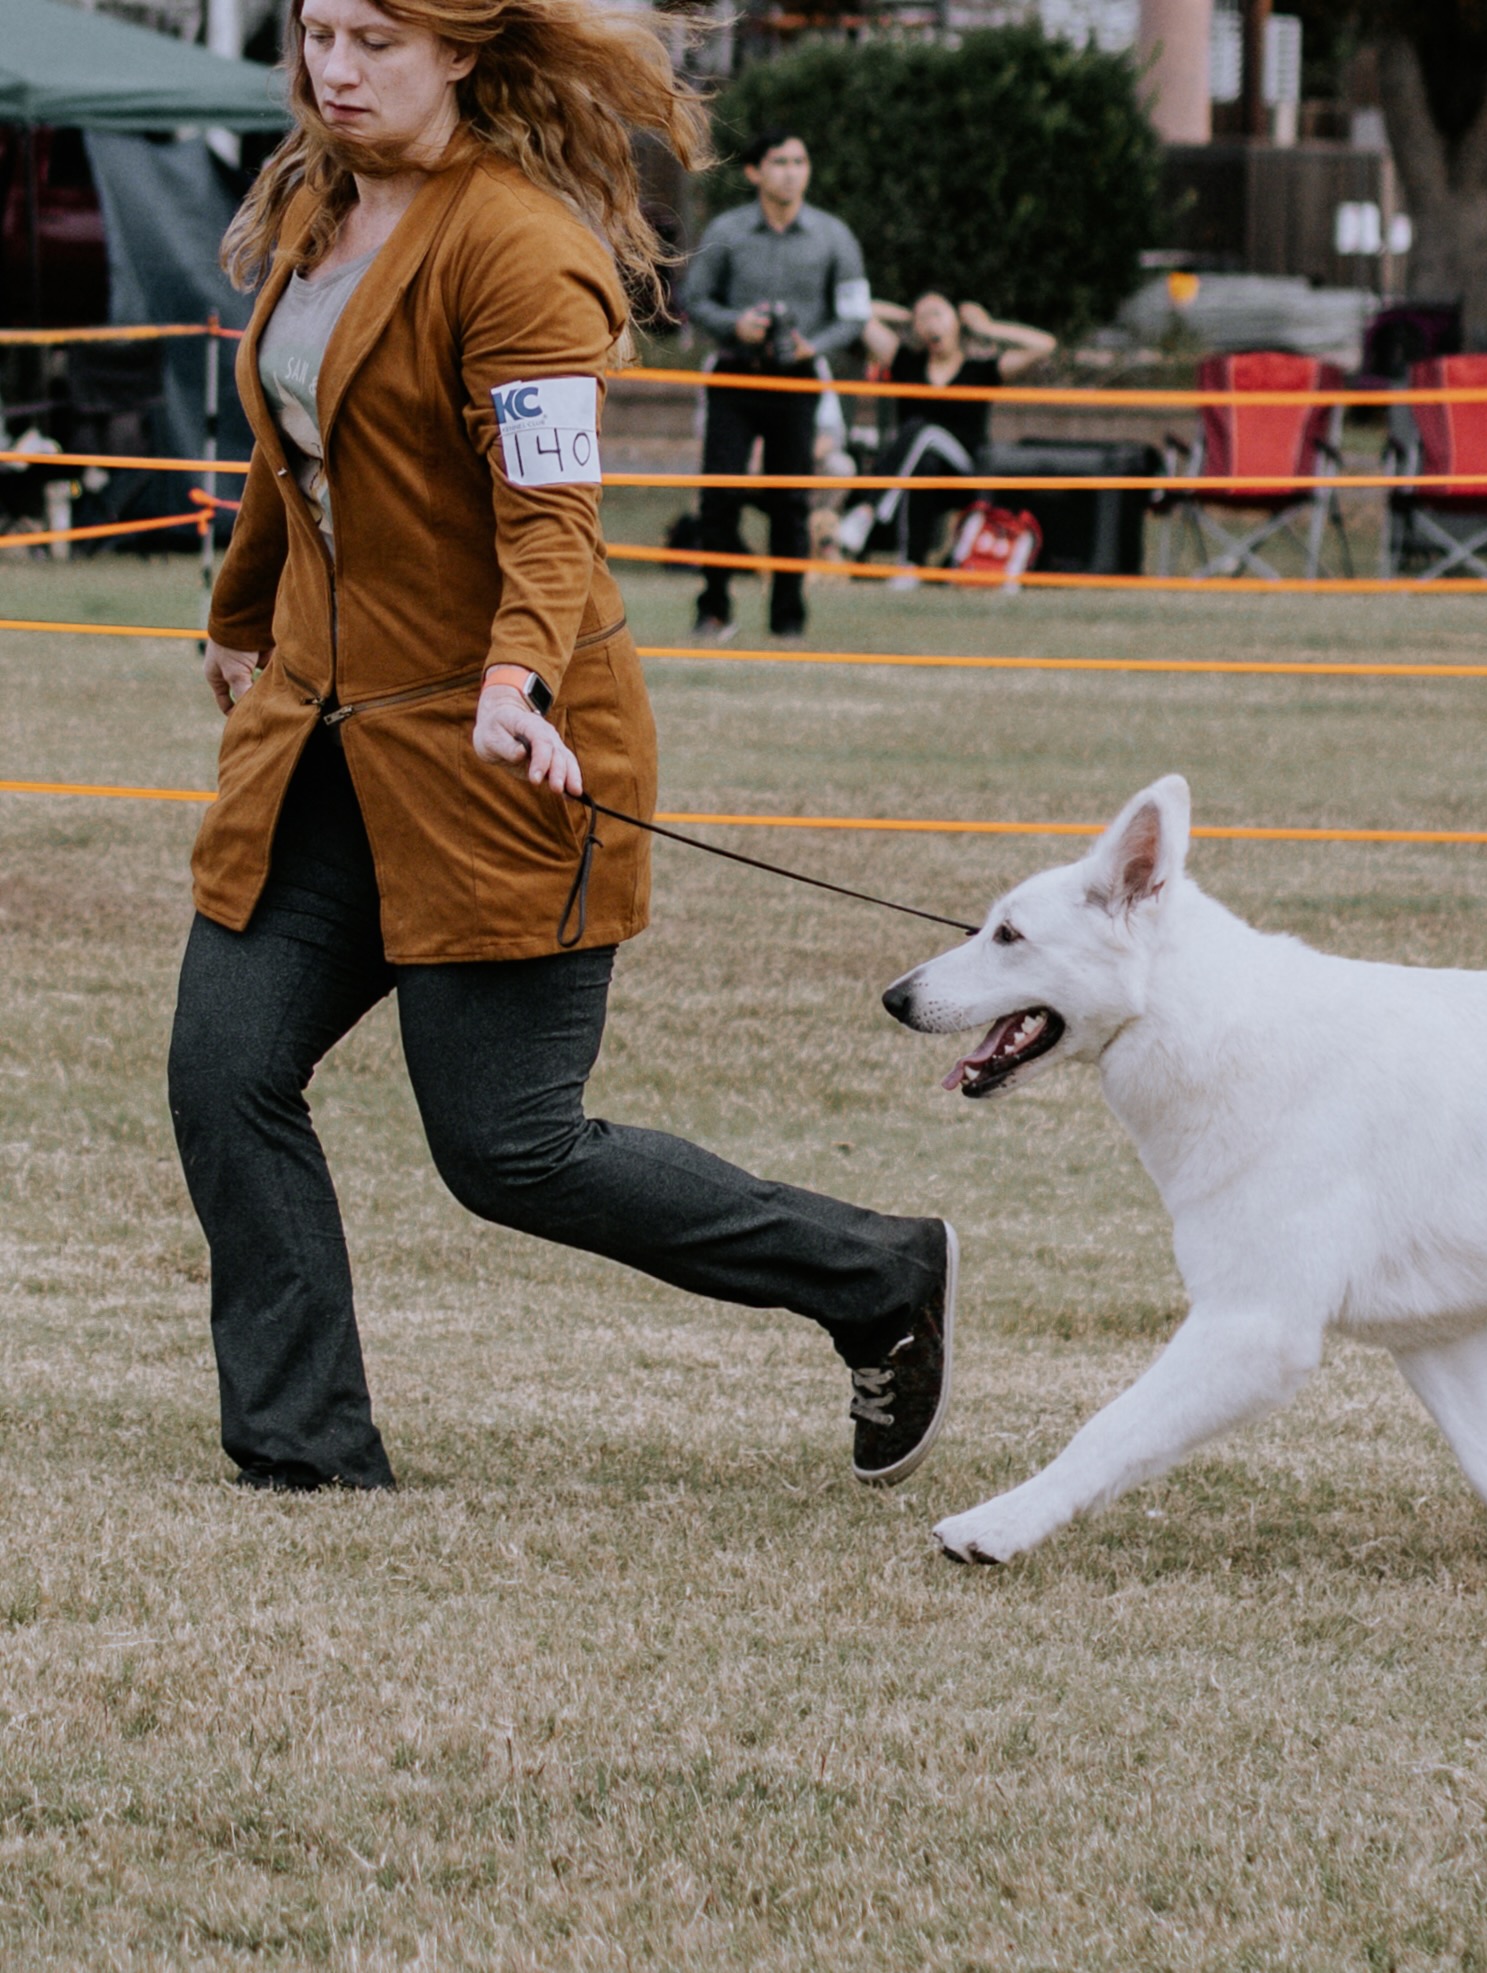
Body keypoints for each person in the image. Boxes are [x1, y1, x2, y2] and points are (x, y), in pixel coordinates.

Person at [173, 0, 954, 1494]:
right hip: (323, 743)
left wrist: (518, 679)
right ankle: (305, 1453)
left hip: (505, 753)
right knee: (225, 1068)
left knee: (508, 1151)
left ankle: (876, 1275)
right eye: (313, 32)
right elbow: (301, 444)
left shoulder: (520, 246)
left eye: (372, 42)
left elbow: (552, 514)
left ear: (461, 51)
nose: (331, 70)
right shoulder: (314, 208)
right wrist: (239, 612)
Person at [678, 130, 870, 642]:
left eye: (800, 161)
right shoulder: (729, 230)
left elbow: (854, 314)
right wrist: (734, 324)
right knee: (719, 493)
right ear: (755, 172)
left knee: (791, 501)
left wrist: (815, 345)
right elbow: (693, 298)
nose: (791, 170)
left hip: (797, 379)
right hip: (736, 374)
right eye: (780, 161)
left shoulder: (834, 236)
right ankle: (714, 608)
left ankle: (788, 618)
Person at [839, 291, 1054, 569]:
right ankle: (911, 565)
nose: (931, 324)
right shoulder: (906, 362)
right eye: (923, 318)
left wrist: (988, 328)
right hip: (918, 470)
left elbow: (1046, 345)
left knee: (921, 429)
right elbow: (856, 312)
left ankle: (868, 510)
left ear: (958, 323)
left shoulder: (981, 371)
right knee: (923, 461)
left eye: (938, 314)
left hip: (962, 470)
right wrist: (906, 316)